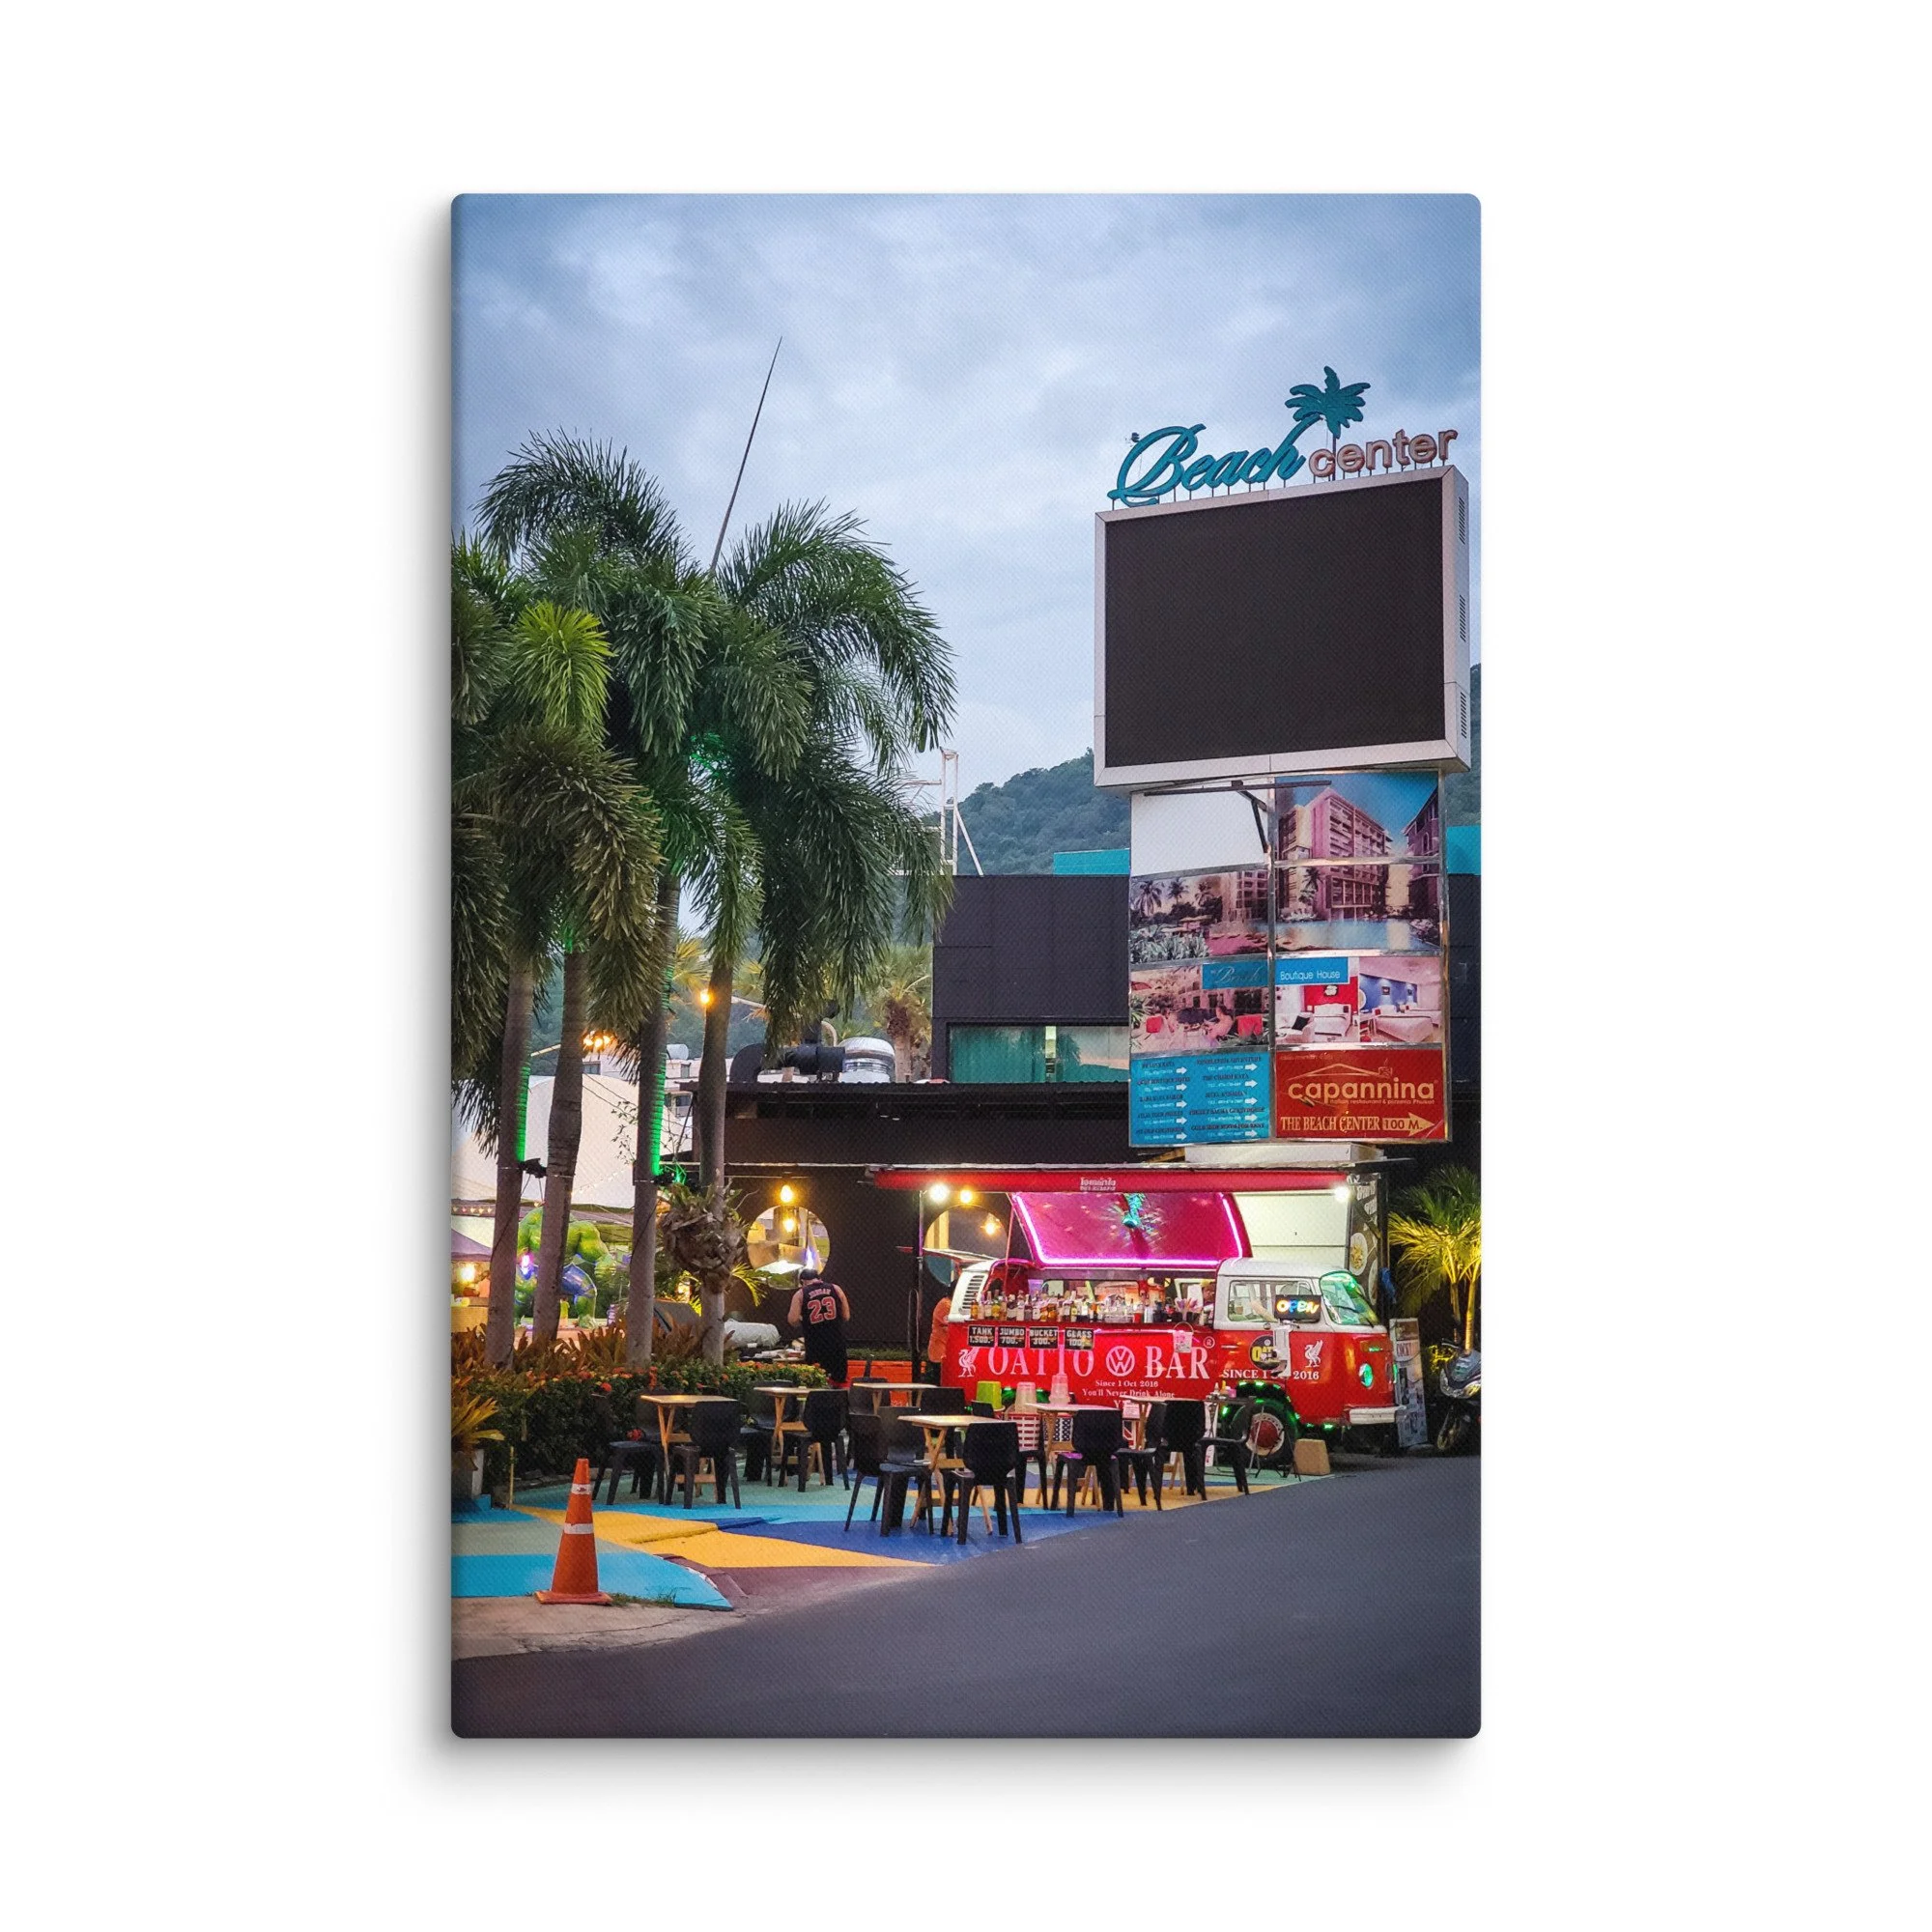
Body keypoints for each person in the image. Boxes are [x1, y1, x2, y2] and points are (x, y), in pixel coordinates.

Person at [787, 1267, 852, 1386]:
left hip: (815, 1344)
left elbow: (793, 1320)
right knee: (838, 1381)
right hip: (837, 1343)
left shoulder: (800, 1294)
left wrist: (803, 1319)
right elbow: (846, 1316)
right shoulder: (836, 1289)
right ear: (819, 1278)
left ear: (802, 1281)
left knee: (816, 1381)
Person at [923, 1292, 953, 1386]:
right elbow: (949, 1325)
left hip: (945, 1349)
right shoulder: (945, 1304)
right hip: (939, 1349)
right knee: (939, 1379)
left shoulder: (950, 1304)